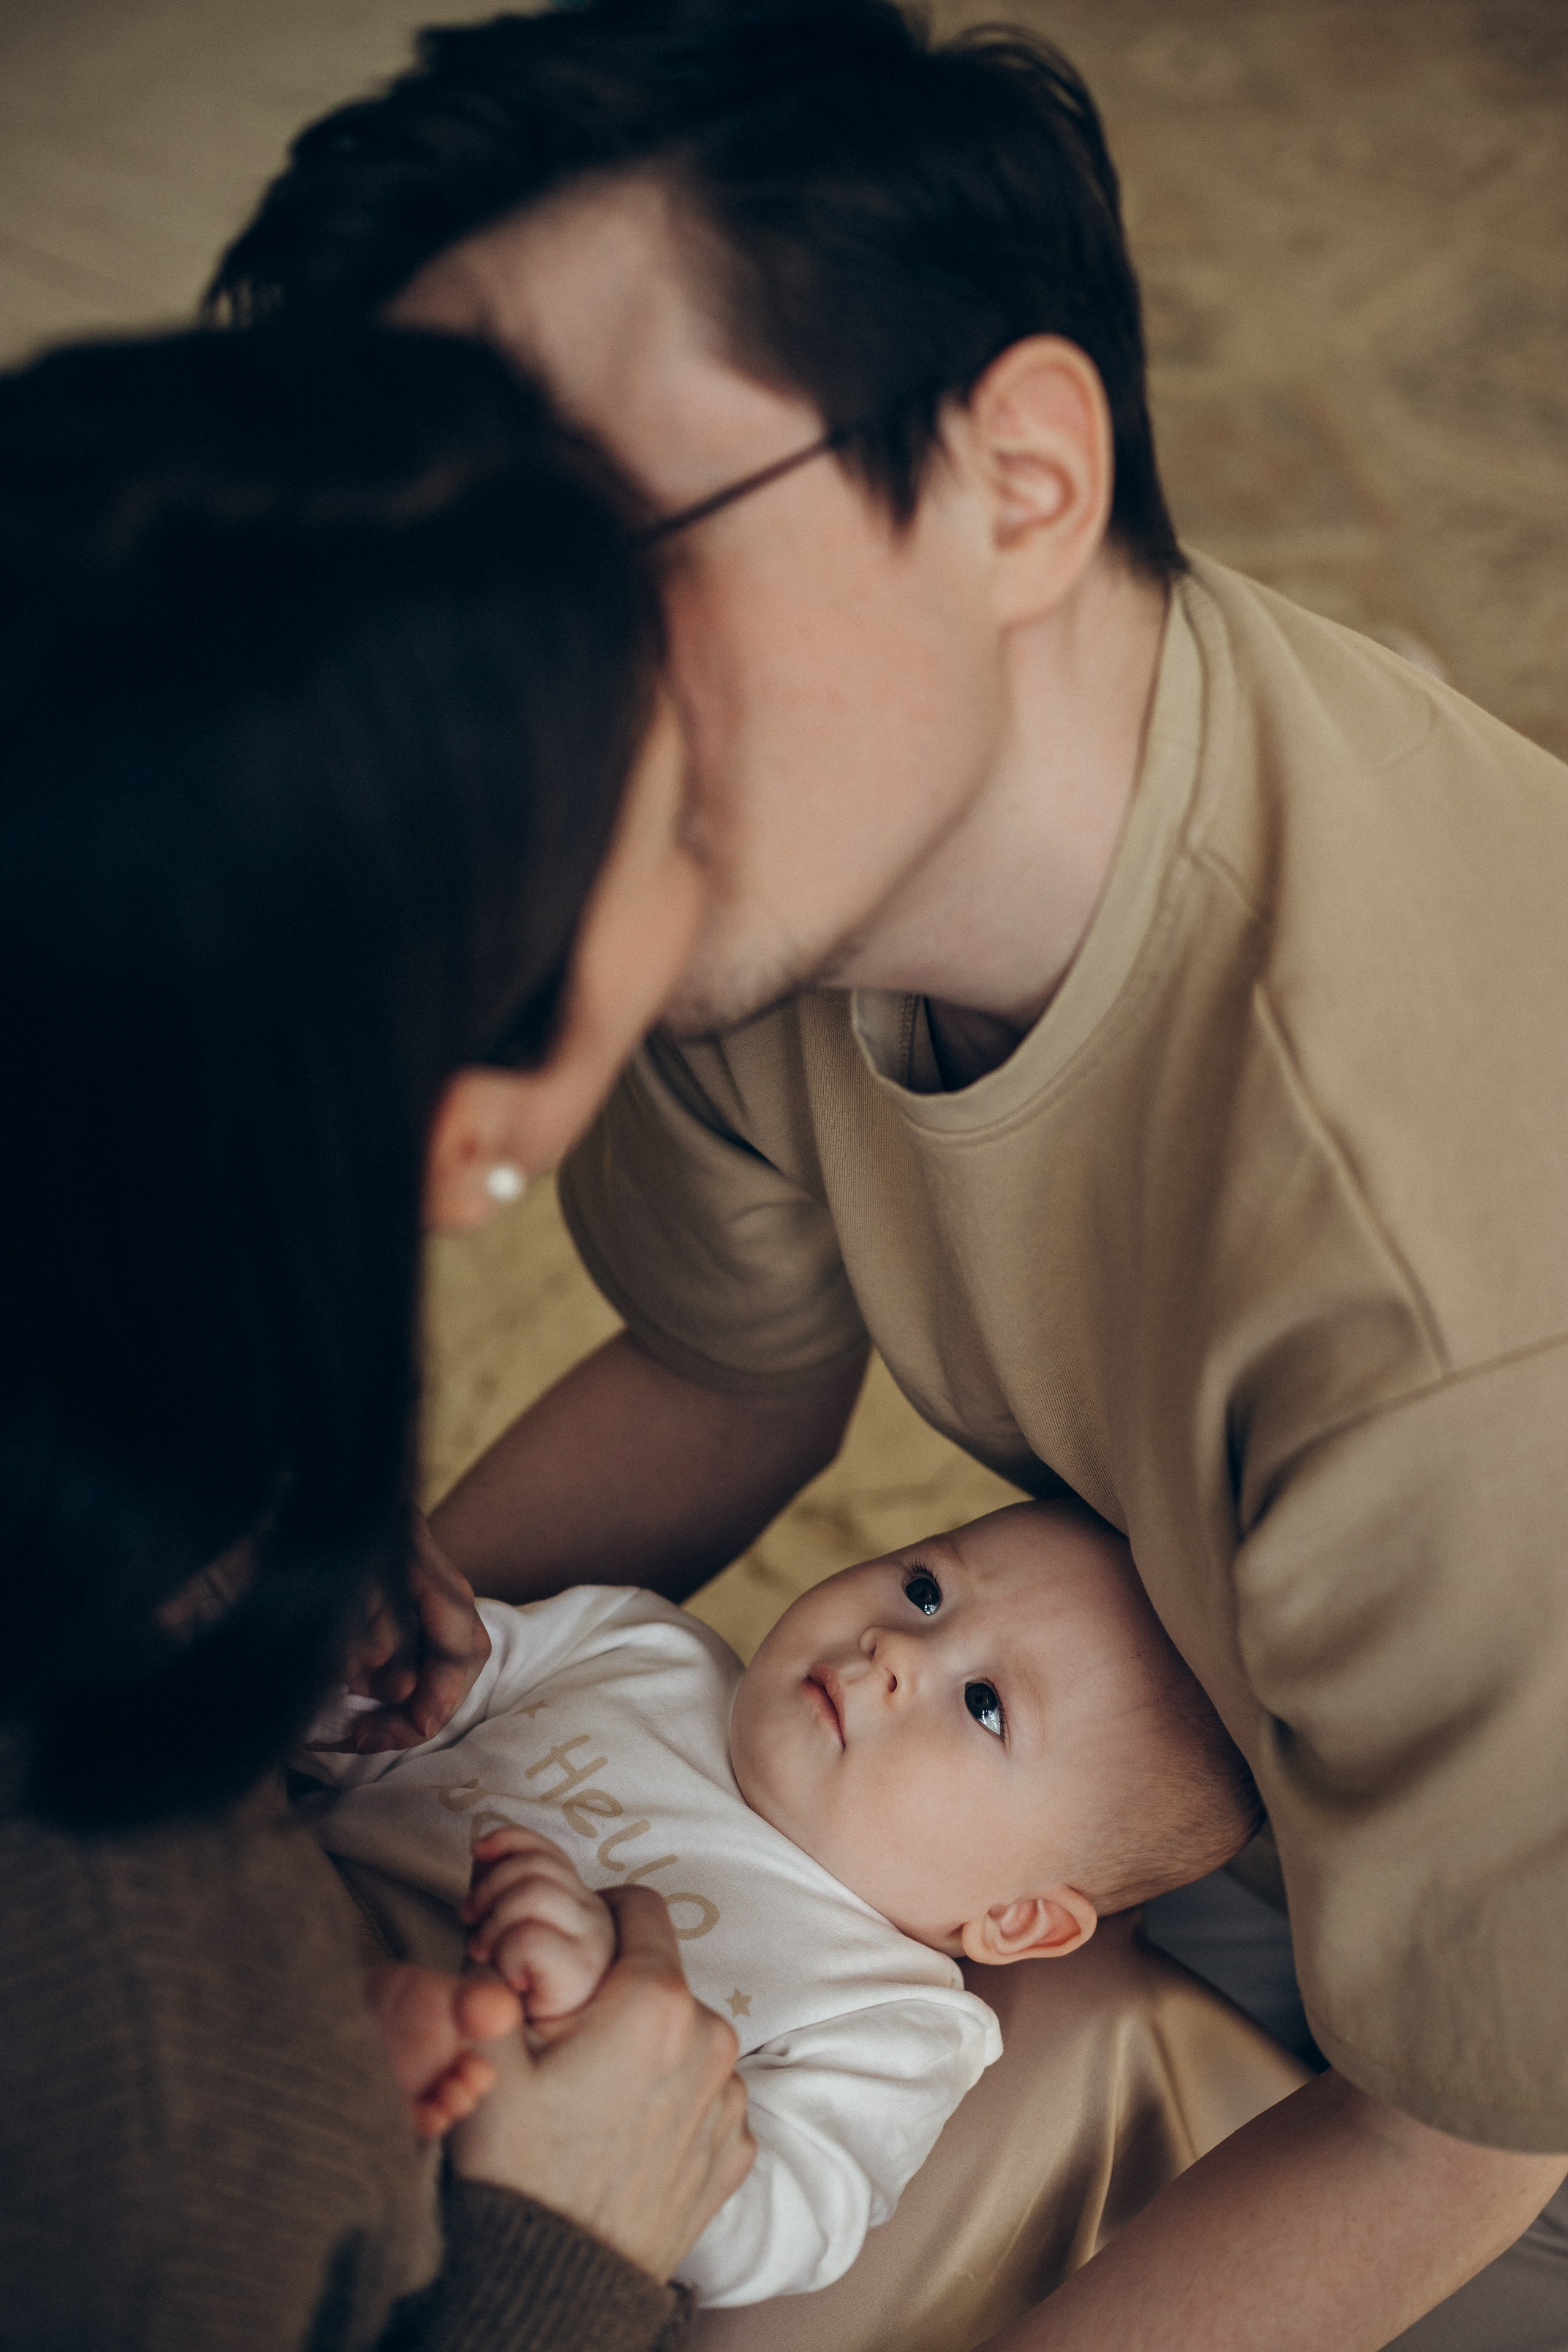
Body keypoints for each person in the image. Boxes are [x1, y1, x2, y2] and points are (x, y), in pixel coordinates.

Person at [211, 2, 1568, 2345]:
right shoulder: (789, 847)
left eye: (585, 557)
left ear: (1017, 482)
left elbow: (1466, 2127)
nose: (494, 713)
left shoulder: (1454, 1323)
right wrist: (333, 1685)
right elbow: (736, 1362)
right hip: (1267, 1697)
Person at [0, 321, 753, 2351]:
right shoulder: (163, 2119)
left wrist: (246, 1555)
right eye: (674, 830)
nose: (733, 865)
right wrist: (554, 2253)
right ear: (459, 1126)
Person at [305, 1500, 1261, 2307]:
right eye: (926, 1590)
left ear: (1018, 1918)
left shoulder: (895, 2016)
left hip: (411, 2202)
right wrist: (340, 1668)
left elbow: (774, 2225)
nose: (897, 1648)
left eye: (984, 1704)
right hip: (268, 1918)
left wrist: (586, 2013)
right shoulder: (636, 1642)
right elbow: (385, 1718)